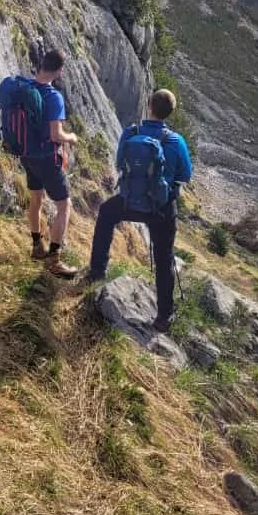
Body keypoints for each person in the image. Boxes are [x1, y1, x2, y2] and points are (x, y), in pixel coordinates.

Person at [84, 89, 192, 332]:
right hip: (161, 208)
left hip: (129, 201)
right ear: (169, 113)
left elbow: (119, 162)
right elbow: (185, 175)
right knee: (164, 259)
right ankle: (163, 316)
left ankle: (97, 272)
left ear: (149, 105)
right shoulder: (176, 141)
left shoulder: (131, 132)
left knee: (105, 214)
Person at [0, 48, 79, 278]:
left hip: (26, 154)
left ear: (42, 64)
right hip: (47, 159)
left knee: (36, 198)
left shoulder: (23, 87)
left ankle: (37, 246)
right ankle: (54, 259)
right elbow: (55, 134)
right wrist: (71, 137)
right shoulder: (53, 97)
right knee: (64, 206)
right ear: (59, 71)